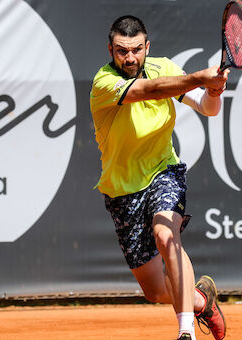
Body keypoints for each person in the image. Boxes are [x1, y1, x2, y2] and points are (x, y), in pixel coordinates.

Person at [90, 15, 229, 340]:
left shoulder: (163, 67)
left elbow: (208, 108)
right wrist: (198, 76)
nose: (130, 58)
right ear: (110, 49)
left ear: (147, 47)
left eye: (137, 49)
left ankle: (185, 333)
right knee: (154, 290)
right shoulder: (103, 82)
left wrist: (213, 90)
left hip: (163, 172)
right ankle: (199, 301)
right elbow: (149, 91)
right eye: (122, 50)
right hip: (122, 192)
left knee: (167, 237)